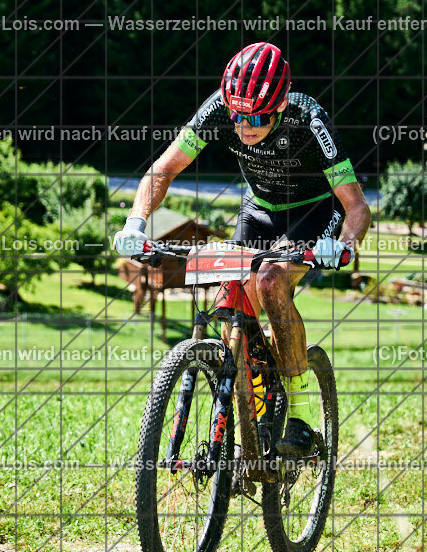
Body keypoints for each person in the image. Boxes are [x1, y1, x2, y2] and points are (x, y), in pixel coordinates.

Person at [113, 42, 371, 456]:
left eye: (256, 117)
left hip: (313, 211)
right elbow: (162, 170)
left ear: (281, 103)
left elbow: (356, 205)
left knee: (270, 282)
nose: (244, 126)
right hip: (261, 210)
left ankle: (302, 413)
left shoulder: (309, 117)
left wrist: (342, 246)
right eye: (237, 115)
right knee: (228, 293)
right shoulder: (221, 108)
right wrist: (135, 221)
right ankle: (254, 398)